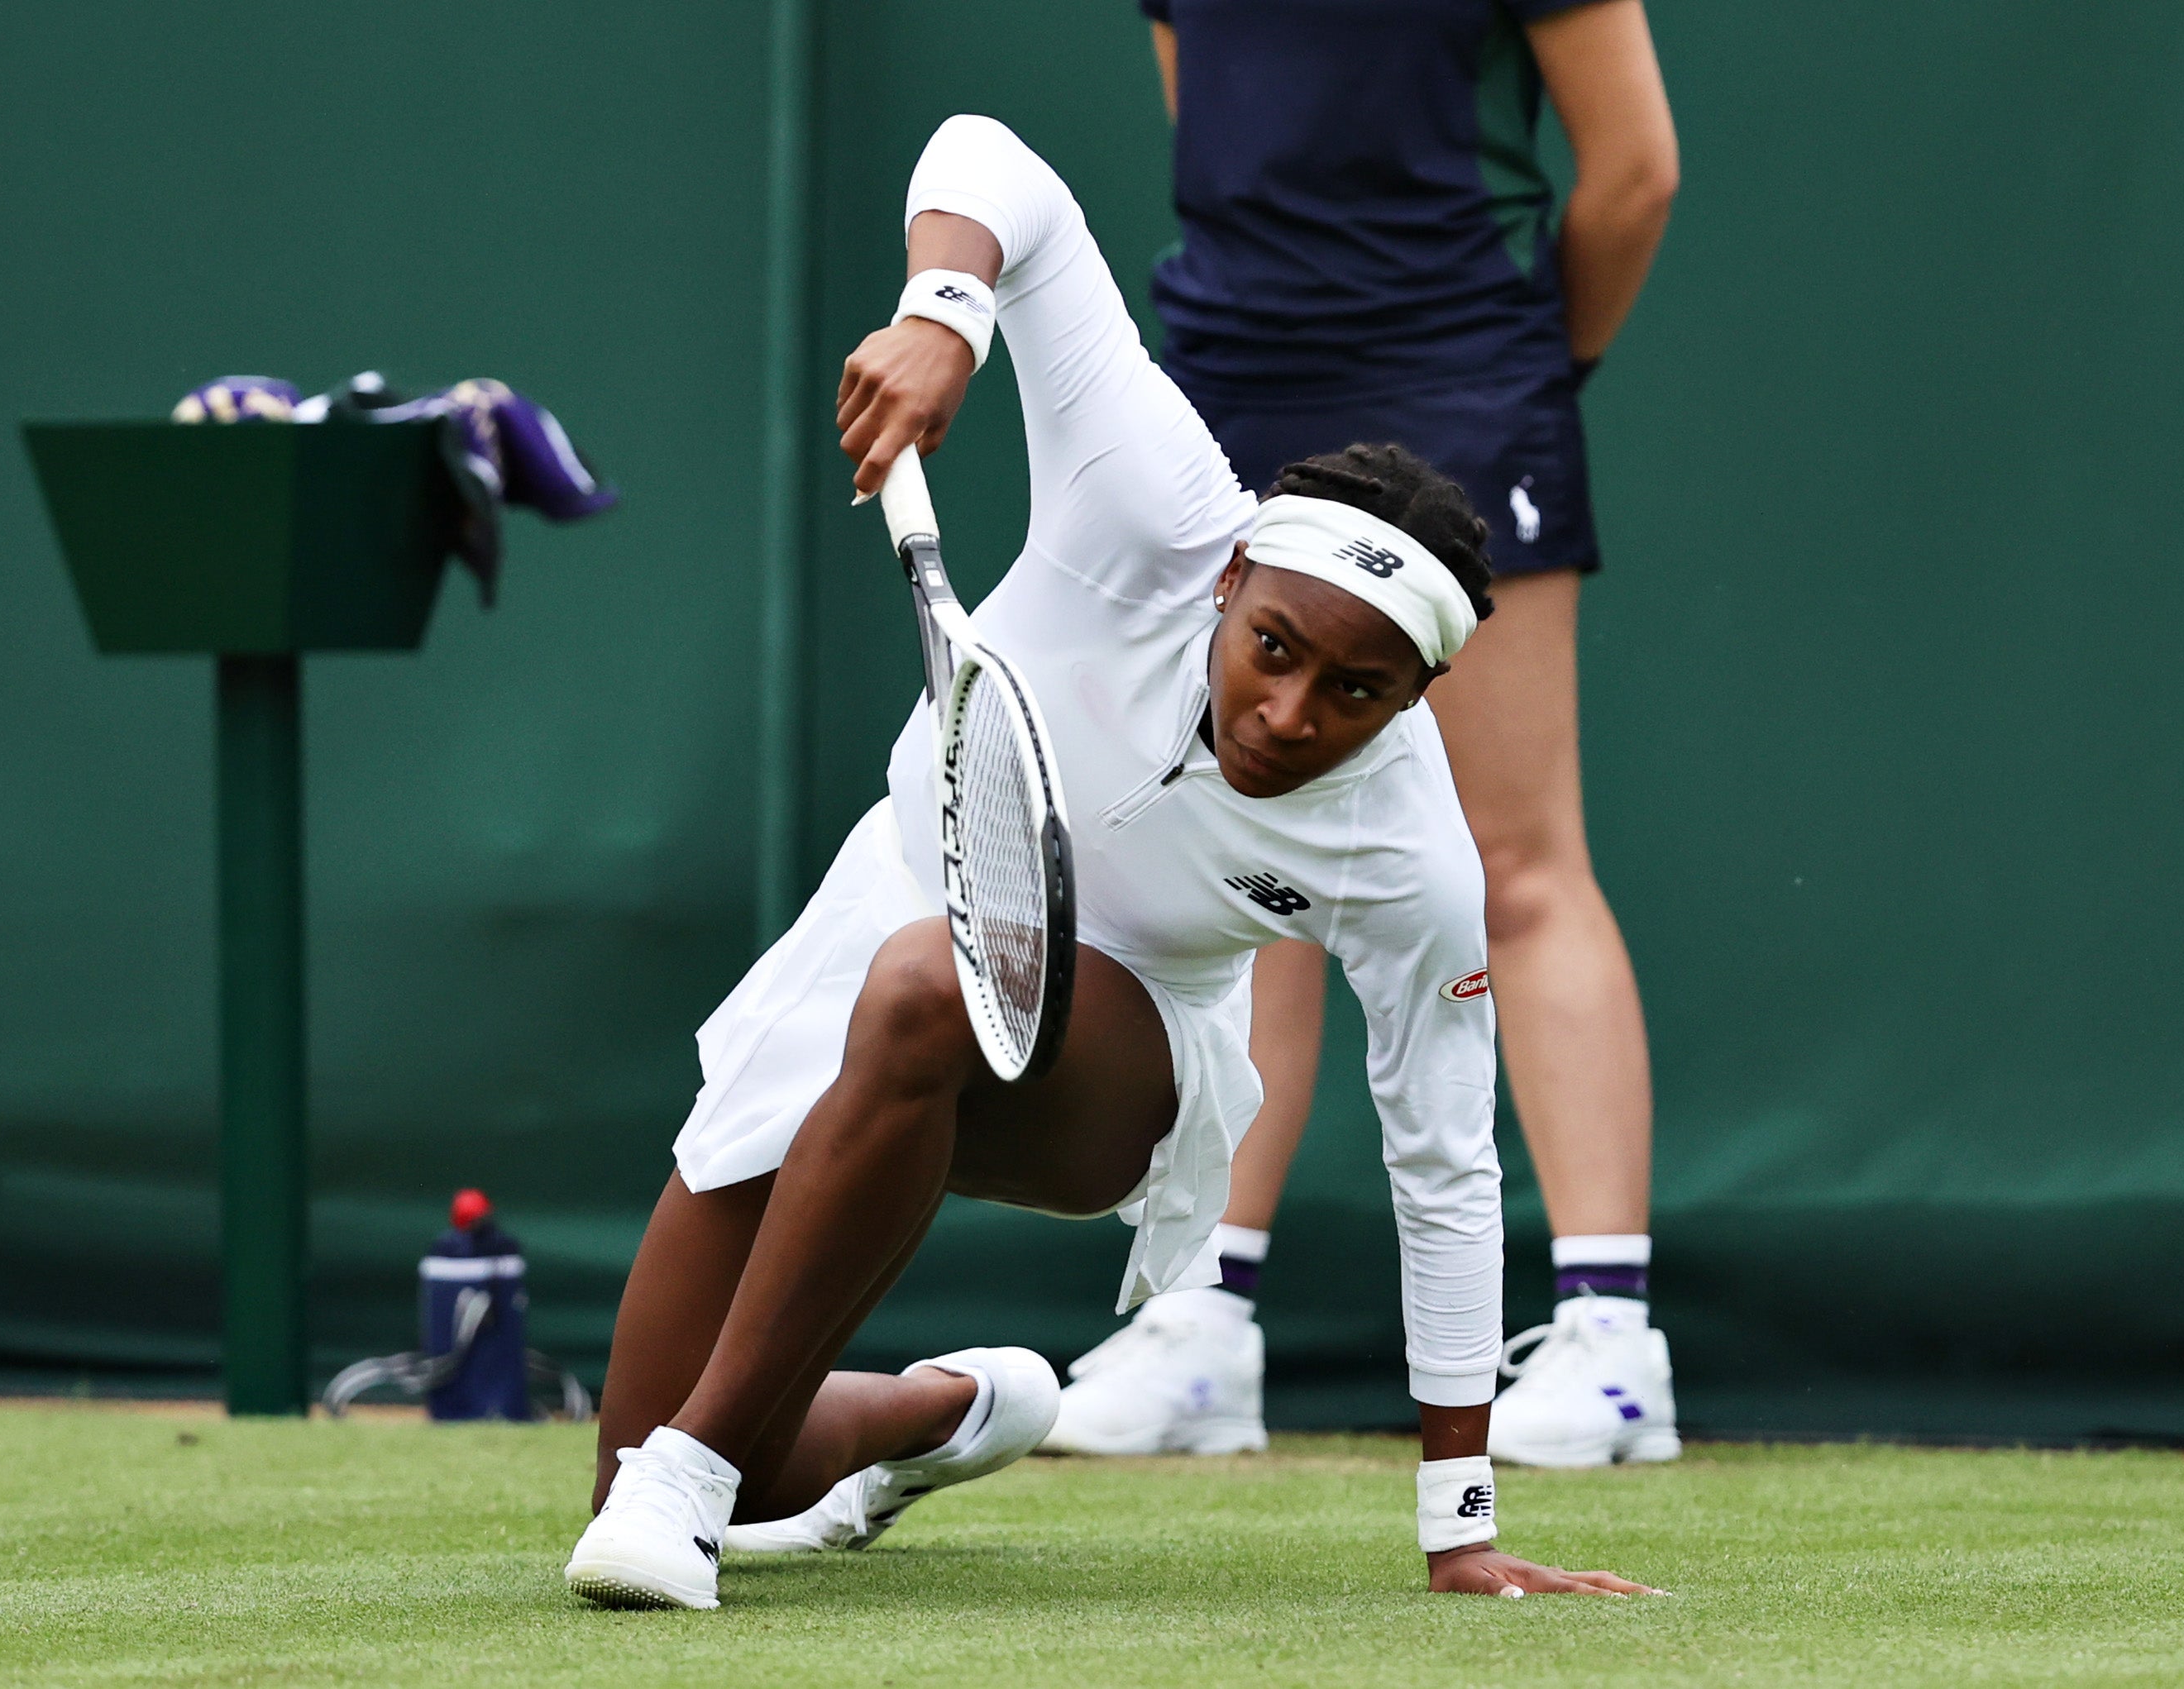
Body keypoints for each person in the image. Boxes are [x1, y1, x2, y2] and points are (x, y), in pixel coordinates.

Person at [561, 115, 1654, 1609]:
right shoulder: (1151, 497)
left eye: (1353, 694)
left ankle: (687, 1484)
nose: (1288, 714)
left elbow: (1446, 1168)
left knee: (921, 998)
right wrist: (943, 316)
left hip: (1114, 1080)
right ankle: (945, 1411)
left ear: (1414, 702)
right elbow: (987, 159)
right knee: (638, 1449)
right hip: (893, 912)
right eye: (1272, 648)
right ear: (1227, 577)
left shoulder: (1407, 852)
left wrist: (1455, 1526)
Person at [1043, 0, 1681, 1469]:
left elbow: (1632, 169)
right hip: (1230, 372)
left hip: (1457, 365)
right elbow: (1206, 121)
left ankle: (1610, 1341)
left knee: (1516, 865)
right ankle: (1200, 1319)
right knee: (1232, 843)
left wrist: (1525, 380)